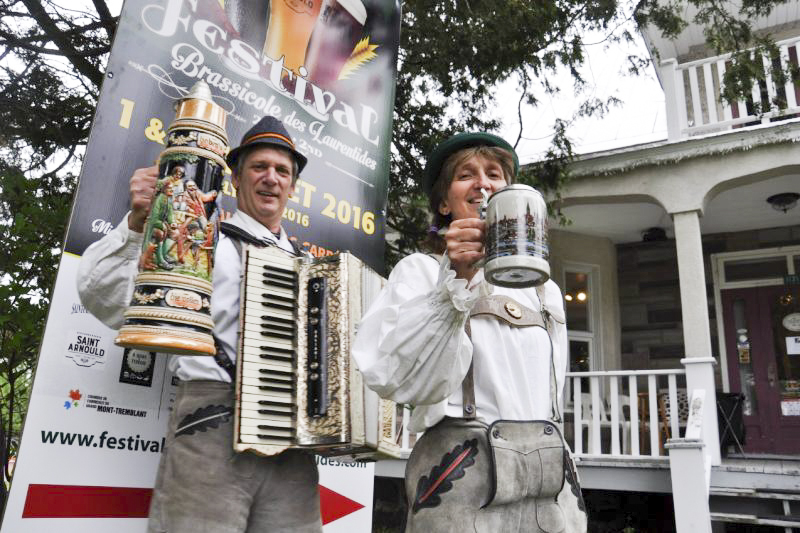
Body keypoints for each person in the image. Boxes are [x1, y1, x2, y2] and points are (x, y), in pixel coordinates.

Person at [77, 116, 322, 533]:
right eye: (259, 167)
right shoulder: (201, 237)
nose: (271, 179)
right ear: (237, 177)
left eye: (282, 171)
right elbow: (105, 298)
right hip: (211, 420)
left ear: (293, 188)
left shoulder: (313, 271)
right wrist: (138, 225)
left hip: (292, 444)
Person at [352, 133, 585, 532]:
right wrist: (455, 285)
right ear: (444, 203)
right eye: (466, 174)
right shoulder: (422, 272)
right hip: (462, 472)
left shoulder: (545, 292)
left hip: (546, 481)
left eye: (495, 174)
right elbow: (396, 379)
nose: (483, 183)